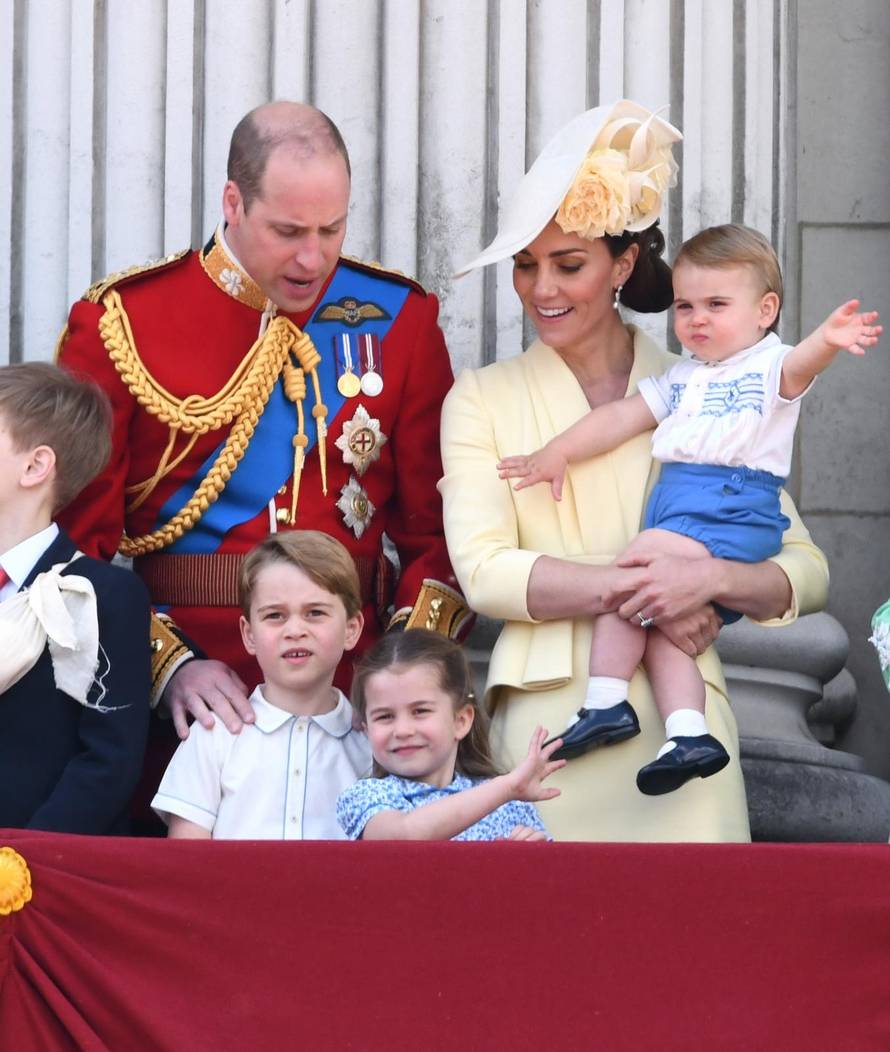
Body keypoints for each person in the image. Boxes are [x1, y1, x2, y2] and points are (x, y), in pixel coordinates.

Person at [440, 100, 829, 842]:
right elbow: (485, 575)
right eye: (526, 266)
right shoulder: (480, 398)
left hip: (689, 739)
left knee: (698, 954)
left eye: (569, 264)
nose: (541, 289)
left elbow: (804, 571)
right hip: (550, 731)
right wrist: (652, 587)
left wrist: (713, 581)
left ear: (622, 265)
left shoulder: (705, 381)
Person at [56, 100, 469, 742]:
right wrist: (165, 666)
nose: (314, 260)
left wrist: (403, 674)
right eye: (288, 232)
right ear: (233, 202)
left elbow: (442, 535)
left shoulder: (400, 318)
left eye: (332, 231)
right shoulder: (123, 323)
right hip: (188, 692)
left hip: (357, 692)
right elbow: (70, 552)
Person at [497, 224, 880, 795]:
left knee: (639, 568)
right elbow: (620, 419)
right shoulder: (683, 377)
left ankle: (604, 702)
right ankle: (687, 734)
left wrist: (827, 338)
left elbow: (802, 365)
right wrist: (557, 453)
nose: (697, 319)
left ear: (764, 310)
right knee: (662, 628)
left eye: (717, 305)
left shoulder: (767, 366)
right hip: (689, 509)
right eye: (685, 306)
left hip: (730, 504)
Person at [0, 362, 150, 834]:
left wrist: (25, 860)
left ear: (35, 466)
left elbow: (108, 760)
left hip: (39, 875)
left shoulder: (102, 595)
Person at [152, 530, 370, 839]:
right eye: (275, 616)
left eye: (315, 613)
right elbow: (186, 860)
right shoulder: (214, 735)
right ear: (249, 634)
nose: (295, 629)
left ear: (352, 628)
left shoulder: (370, 744)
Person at [336, 630, 561, 841]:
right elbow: (403, 836)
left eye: (420, 711)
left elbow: (553, 880)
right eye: (385, 716)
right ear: (366, 729)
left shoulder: (511, 804)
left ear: (461, 721)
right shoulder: (366, 796)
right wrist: (506, 788)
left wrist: (524, 861)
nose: (403, 730)